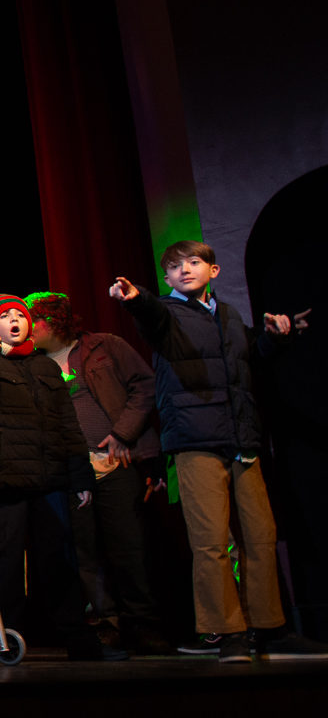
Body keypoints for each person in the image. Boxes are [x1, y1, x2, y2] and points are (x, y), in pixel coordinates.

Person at [111, 241, 328, 661]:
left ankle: (270, 628)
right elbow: (149, 315)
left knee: (260, 536)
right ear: (167, 278)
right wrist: (135, 298)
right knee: (211, 541)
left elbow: (249, 358)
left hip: (240, 436)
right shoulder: (166, 313)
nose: (185, 270)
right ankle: (225, 632)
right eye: (175, 266)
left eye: (194, 262)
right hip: (196, 440)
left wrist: (275, 337)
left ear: (214, 270)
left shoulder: (227, 314)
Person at [0, 294, 113, 660]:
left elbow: (67, 424)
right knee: (7, 565)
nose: (15, 320)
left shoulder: (45, 367)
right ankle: (5, 639)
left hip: (49, 479)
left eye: (20, 314)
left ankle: (77, 638)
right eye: (5, 315)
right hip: (5, 480)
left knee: (60, 561)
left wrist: (81, 478)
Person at [24, 291, 170, 655]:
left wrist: (123, 433)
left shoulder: (105, 346)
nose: (26, 328)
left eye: (32, 320)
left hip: (116, 463)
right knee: (85, 554)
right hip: (70, 472)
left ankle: (143, 623)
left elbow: (145, 386)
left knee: (128, 548)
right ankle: (108, 624)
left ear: (53, 321)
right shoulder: (31, 363)